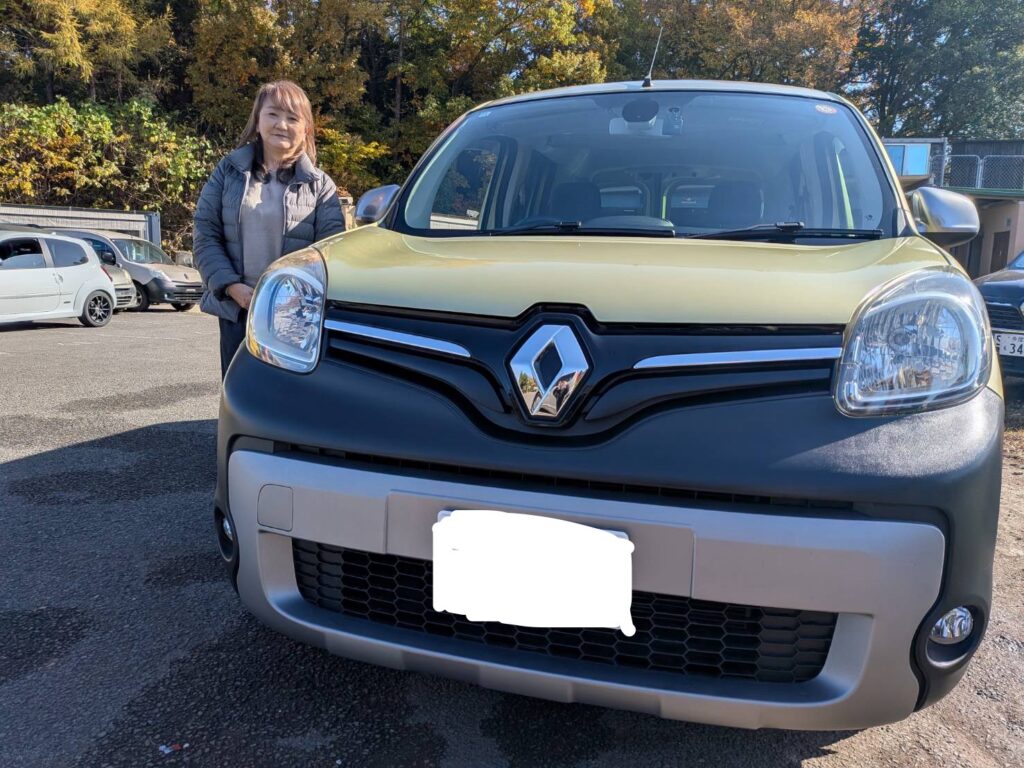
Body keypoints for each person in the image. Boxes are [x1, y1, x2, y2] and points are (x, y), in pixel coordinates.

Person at [193, 80, 345, 377]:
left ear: (306, 128)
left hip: (295, 317)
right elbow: (205, 233)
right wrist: (232, 287)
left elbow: (329, 252)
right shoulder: (228, 172)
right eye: (273, 114)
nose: (281, 125)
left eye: (292, 118)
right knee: (239, 391)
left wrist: (294, 301)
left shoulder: (321, 187)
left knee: (289, 397)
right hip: (238, 310)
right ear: (258, 119)